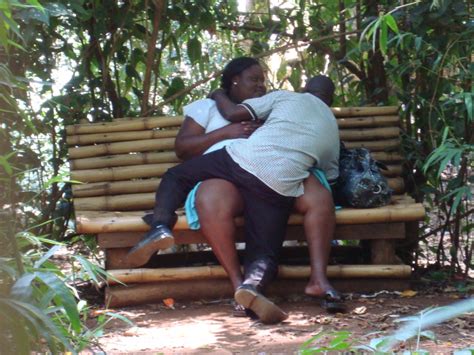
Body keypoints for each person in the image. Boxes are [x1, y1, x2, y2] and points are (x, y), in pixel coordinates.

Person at [125, 69, 341, 324]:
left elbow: (233, 113)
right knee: (264, 253)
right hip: (279, 185)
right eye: (255, 79)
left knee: (176, 176)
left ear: (305, 89)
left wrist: (218, 95)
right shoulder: (331, 124)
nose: (260, 85)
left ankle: (160, 225)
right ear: (330, 100)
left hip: (242, 160)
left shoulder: (286, 97)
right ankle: (251, 288)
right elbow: (331, 175)